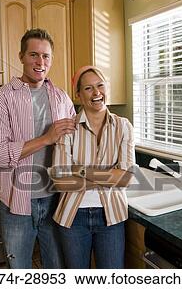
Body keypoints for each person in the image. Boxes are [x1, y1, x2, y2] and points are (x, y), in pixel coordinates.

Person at [0, 28, 76, 268]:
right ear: (21, 56)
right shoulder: (0, 98)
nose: (40, 62)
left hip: (56, 198)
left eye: (46, 56)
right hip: (16, 200)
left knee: (56, 266)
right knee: (20, 267)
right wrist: (46, 138)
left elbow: (75, 141)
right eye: (34, 55)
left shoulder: (61, 97)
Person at [49, 65, 136, 269]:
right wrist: (110, 175)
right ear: (78, 95)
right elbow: (61, 181)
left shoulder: (123, 126)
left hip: (111, 216)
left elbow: (126, 179)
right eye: (88, 88)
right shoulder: (67, 129)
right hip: (73, 216)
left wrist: (79, 170)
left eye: (100, 85)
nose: (96, 93)